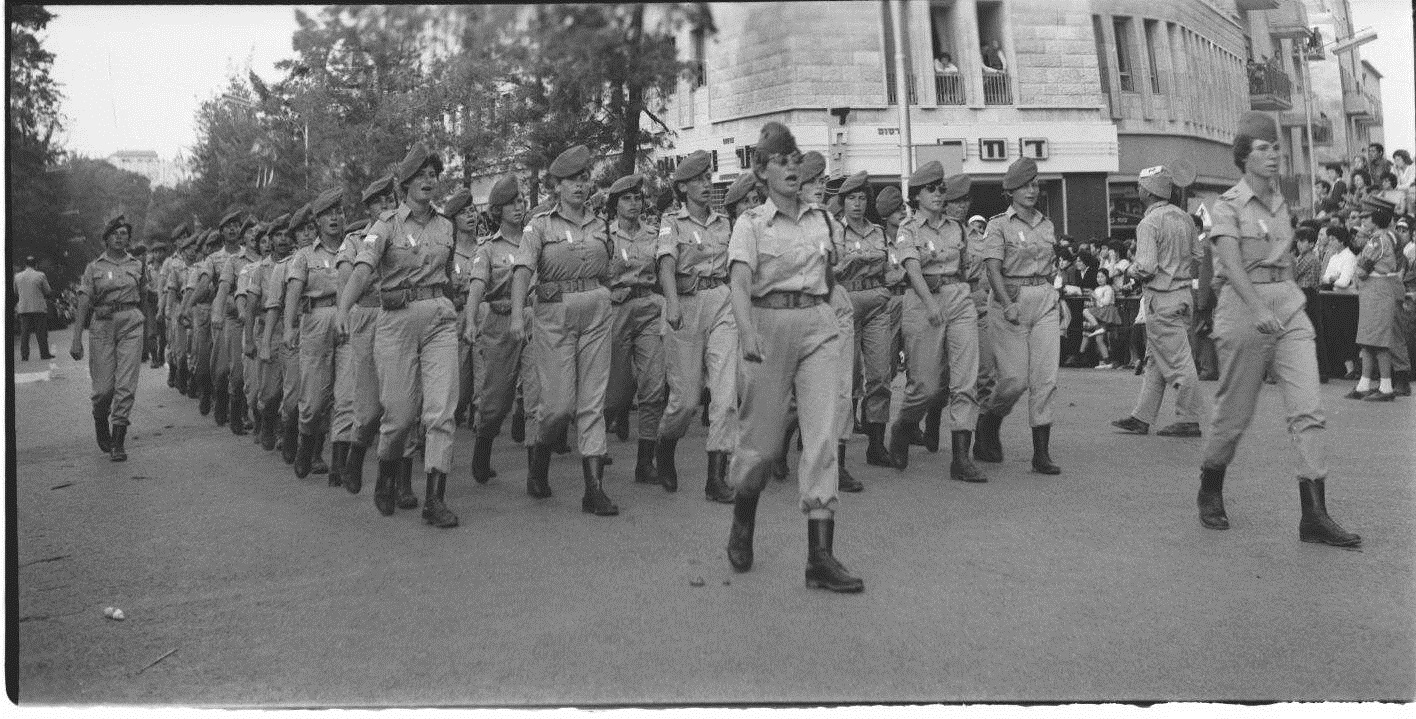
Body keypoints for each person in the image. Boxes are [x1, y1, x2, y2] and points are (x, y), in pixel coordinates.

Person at [1196, 111, 1359, 548]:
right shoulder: (1227, 205)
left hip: (1288, 308)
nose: (1274, 155)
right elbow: (1228, 264)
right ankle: (1210, 486)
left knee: (1308, 410)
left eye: (1276, 148)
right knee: (1233, 415)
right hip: (1244, 310)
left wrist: (1279, 307)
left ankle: (1314, 515)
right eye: (1264, 149)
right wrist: (1255, 308)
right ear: (1244, 156)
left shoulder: (1282, 203)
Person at [723, 121, 863, 593]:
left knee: (822, 436)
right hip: (768, 328)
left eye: (794, 160)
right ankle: (743, 515)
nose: (790, 169)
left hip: (818, 327)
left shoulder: (821, 218)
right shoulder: (750, 225)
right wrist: (745, 332)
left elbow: (829, 271)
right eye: (779, 161)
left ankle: (819, 557)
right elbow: (739, 284)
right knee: (761, 445)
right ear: (761, 171)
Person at [339, 143, 464, 527]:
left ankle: (435, 500)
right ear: (404, 182)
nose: (428, 181)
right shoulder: (386, 225)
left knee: (441, 411)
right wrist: (344, 307)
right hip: (396, 321)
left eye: (433, 175)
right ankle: (386, 469)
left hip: (440, 320)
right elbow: (362, 270)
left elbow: (452, 275)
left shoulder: (447, 225)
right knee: (399, 414)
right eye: (420, 175)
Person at [508, 144, 619, 515]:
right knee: (557, 406)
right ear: (557, 185)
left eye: (585, 178)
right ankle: (539, 462)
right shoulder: (539, 225)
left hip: (596, 313)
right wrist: (515, 314)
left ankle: (593, 489)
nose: (580, 185)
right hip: (554, 316)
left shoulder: (599, 224)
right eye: (572, 179)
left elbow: (609, 270)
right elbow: (523, 270)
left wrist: (608, 297)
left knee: (592, 401)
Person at [888, 166, 986, 483]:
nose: (939, 193)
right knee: (926, 386)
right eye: (931, 188)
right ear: (916, 195)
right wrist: (931, 304)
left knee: (964, 380)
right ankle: (904, 425)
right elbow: (912, 268)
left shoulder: (956, 228)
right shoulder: (908, 229)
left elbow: (968, 267)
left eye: (941, 187)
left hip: (958, 298)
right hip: (923, 300)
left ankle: (961, 458)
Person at [655, 150, 739, 501]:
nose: (706, 184)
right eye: (699, 179)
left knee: (725, 393)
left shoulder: (724, 224)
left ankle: (716, 477)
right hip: (686, 306)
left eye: (709, 177)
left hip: (722, 303)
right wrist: (672, 301)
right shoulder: (671, 222)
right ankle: (664, 444)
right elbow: (666, 264)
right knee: (686, 400)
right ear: (683, 186)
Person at [974, 157, 1062, 474]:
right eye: (1025, 185)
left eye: (1035, 184)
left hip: (1044, 300)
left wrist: (1056, 294)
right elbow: (993, 269)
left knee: (1045, 378)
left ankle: (1041, 453)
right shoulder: (998, 225)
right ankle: (989, 420)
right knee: (1013, 380)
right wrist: (1005, 302)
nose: (1032, 190)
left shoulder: (1046, 224)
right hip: (1010, 301)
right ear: (1011, 190)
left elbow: (1052, 266)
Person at [1112, 164, 1204, 437]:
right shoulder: (1185, 218)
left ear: (1150, 191)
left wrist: (1128, 269)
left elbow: (1146, 266)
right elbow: (1198, 254)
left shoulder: (1149, 223)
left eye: (1141, 185)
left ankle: (1189, 418)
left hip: (1161, 298)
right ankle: (1142, 416)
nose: (1138, 189)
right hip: (1183, 294)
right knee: (1156, 359)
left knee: (1177, 362)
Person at [798, 152, 862, 493]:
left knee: (841, 389)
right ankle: (783, 444)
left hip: (832, 303)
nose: (819, 187)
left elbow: (838, 261)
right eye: (811, 181)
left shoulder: (831, 223)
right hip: (796, 307)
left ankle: (837, 462)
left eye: (822, 181)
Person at [603, 173, 670, 486]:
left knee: (654, 386)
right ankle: (597, 438)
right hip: (615, 312)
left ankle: (646, 461)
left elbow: (662, 272)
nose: (633, 204)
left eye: (637, 198)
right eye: (626, 199)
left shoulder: (653, 235)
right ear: (615, 204)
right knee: (615, 392)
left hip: (647, 310)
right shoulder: (605, 236)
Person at [70, 213, 151, 461]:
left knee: (125, 385)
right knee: (104, 389)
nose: (120, 237)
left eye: (124, 233)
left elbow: (145, 298)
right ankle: (99, 417)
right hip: (103, 326)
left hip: (131, 323)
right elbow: (84, 302)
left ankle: (118, 441)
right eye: (115, 233)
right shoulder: (94, 268)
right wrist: (76, 339)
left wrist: (151, 333)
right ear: (106, 239)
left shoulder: (137, 265)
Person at [336, 175, 398, 493]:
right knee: (371, 405)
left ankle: (398, 481)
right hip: (368, 316)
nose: (387, 205)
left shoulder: (407, 233)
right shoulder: (355, 241)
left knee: (403, 402)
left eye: (390, 199)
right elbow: (350, 277)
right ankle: (356, 452)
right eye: (379, 201)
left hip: (400, 315)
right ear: (369, 208)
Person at [469, 175, 529, 485]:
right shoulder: (488, 249)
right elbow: (478, 285)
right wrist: (470, 320)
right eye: (510, 204)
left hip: (535, 317)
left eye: (520, 201)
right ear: (498, 210)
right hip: (500, 320)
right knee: (496, 396)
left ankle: (537, 469)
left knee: (537, 392)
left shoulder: (535, 240)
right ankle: (482, 450)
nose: (518, 207)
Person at [284, 188, 345, 481]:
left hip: (348, 320)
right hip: (316, 322)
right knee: (314, 399)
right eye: (326, 214)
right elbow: (293, 295)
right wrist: (288, 328)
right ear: (318, 222)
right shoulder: (305, 256)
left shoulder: (352, 249)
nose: (334, 218)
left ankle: (337, 461)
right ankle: (306, 444)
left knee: (344, 395)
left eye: (338, 212)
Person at [835, 171, 895, 469]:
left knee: (880, 375)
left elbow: (890, 267)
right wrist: (848, 263)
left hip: (876, 302)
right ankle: (839, 452)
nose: (857, 205)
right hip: (845, 303)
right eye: (851, 199)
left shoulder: (878, 232)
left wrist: (886, 284)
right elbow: (827, 271)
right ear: (842, 202)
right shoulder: (835, 232)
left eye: (861, 198)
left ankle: (876, 444)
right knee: (847, 378)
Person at [1346, 196, 1401, 401]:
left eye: (1367, 217)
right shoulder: (1379, 239)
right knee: (1368, 341)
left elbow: (1361, 271)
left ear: (1377, 218)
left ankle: (1386, 388)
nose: (1363, 221)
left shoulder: (1377, 240)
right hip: (1374, 293)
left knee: (1378, 343)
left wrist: (1358, 270)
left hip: (1377, 293)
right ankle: (1364, 384)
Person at [214, 216, 263, 436]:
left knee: (265, 370)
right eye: (250, 233)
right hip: (237, 320)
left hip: (263, 319)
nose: (255, 236)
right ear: (244, 237)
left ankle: (262, 416)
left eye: (258, 232)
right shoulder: (234, 261)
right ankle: (237, 414)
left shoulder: (269, 258)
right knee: (238, 372)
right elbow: (224, 288)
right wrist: (219, 311)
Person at [259, 214, 297, 454]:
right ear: (270, 240)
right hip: (271, 330)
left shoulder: (299, 262)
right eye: (278, 236)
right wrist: (262, 342)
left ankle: (287, 432)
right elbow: (259, 305)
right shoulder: (259, 269)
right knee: (271, 391)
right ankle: (267, 423)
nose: (283, 239)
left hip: (295, 328)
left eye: (286, 235)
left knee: (293, 387)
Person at [13, 255, 53, 361]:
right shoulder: (40, 275)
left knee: (25, 333)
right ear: (36, 265)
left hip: (24, 308)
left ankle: (24, 355)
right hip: (38, 308)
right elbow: (48, 291)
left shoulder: (17, 276)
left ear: (25, 265)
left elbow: (16, 292)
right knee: (41, 333)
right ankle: (44, 354)